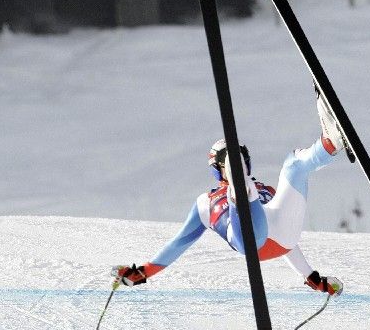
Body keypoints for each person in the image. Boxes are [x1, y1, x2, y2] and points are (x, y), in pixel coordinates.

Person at [116, 92, 345, 296]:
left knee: (293, 166)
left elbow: (287, 240)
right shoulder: (205, 203)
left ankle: (330, 144)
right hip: (248, 240)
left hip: (283, 236)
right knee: (245, 191)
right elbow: (179, 242)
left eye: (241, 160)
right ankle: (239, 191)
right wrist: (143, 272)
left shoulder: (265, 189)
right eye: (231, 162)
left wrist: (312, 278)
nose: (241, 164)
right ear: (217, 169)